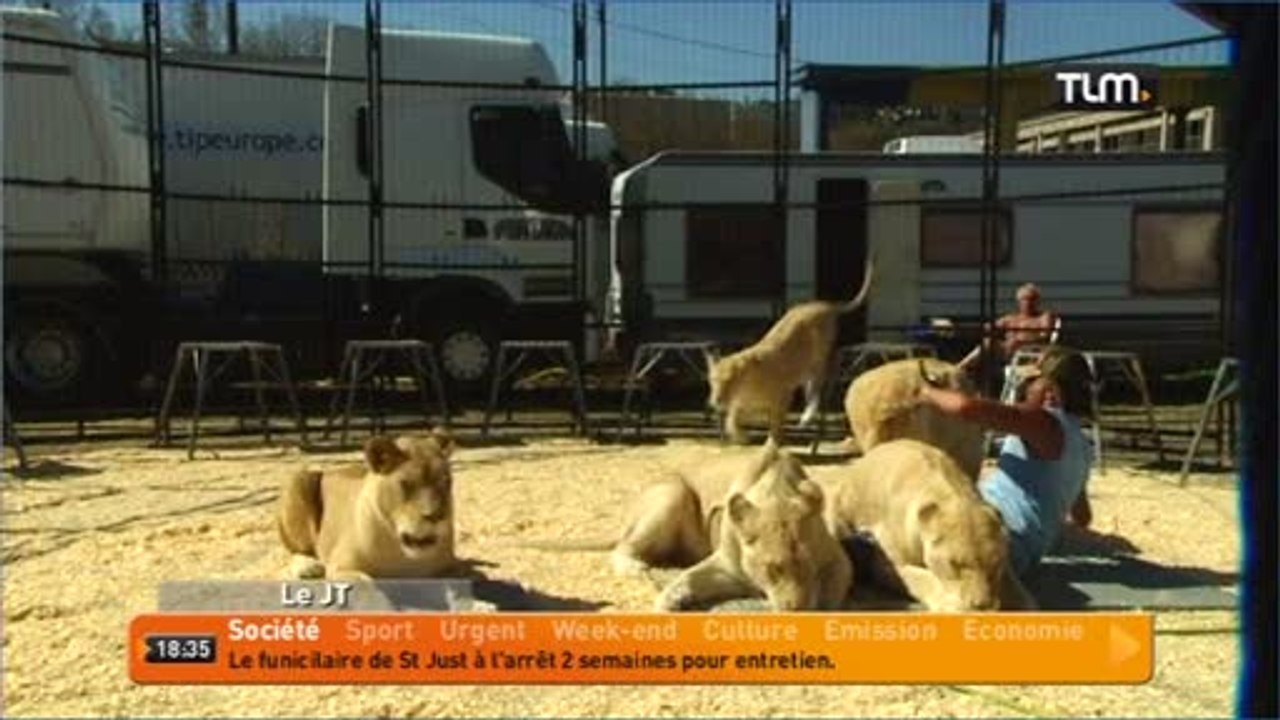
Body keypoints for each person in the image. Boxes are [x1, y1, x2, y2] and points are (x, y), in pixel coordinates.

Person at [919, 346, 1094, 580]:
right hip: (1021, 553)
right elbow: (1082, 516)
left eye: (1034, 377)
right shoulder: (1082, 445)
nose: (1027, 383)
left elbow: (966, 408)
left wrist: (925, 392)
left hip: (992, 536)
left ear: (1051, 387)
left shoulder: (1045, 423)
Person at [958, 282, 1059, 372]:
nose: (1027, 302)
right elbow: (988, 327)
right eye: (1024, 299)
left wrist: (1022, 341)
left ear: (1037, 301)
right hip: (1007, 352)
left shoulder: (1044, 317)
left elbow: (1046, 336)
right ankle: (960, 368)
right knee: (988, 342)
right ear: (1018, 301)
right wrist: (958, 327)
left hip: (1029, 353)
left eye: (1031, 299)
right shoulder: (1011, 318)